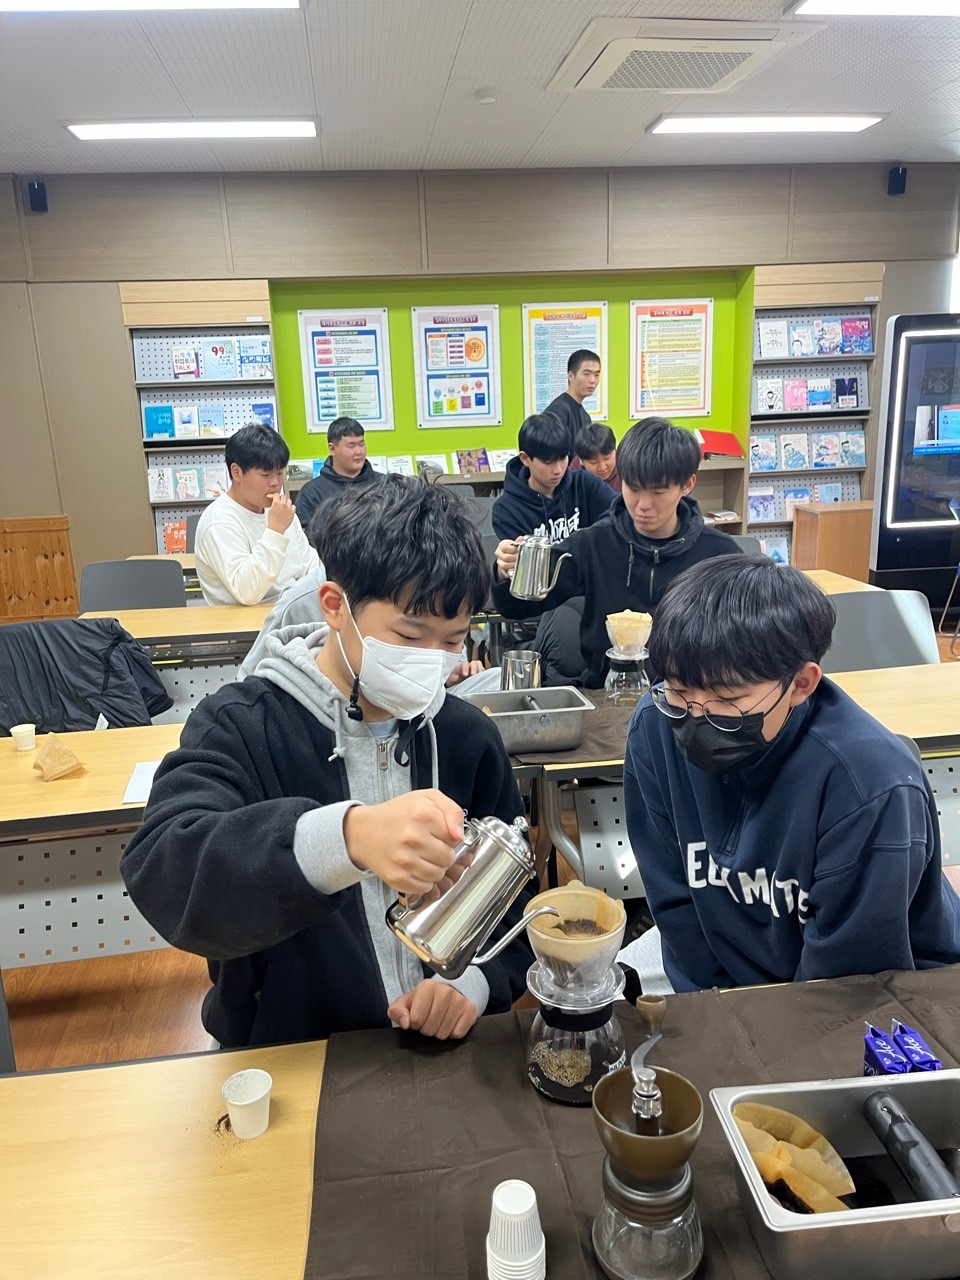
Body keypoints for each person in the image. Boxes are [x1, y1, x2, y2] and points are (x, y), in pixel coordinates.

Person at [120, 476, 532, 1049]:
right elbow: (166, 870)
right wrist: (346, 840)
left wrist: (474, 983)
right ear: (336, 606)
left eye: (451, 641)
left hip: (442, 1058)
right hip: (294, 1054)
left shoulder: (466, 737)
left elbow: (514, 908)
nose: (431, 661)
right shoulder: (244, 725)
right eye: (409, 635)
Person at [624, 556, 960, 994]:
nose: (697, 716)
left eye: (729, 700)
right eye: (680, 690)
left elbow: (842, 984)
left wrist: (750, 1020)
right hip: (730, 968)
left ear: (801, 684)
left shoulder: (869, 785)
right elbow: (673, 899)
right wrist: (714, 1006)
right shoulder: (656, 725)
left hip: (877, 989)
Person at [491, 418, 742, 687]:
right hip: (606, 690)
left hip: (692, 694)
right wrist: (506, 572)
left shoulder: (720, 555)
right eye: (633, 488)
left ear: (687, 484)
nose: (643, 505)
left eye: (658, 492)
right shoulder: (594, 543)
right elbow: (518, 607)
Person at [194, 423, 318, 606]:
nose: (275, 483)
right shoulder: (218, 521)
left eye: (279, 473)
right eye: (265, 475)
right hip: (246, 621)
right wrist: (275, 531)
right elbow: (247, 592)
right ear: (237, 472)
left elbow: (311, 567)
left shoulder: (280, 510)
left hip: (290, 610)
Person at [492, 412, 613, 544]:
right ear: (525, 459)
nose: (558, 470)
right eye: (548, 462)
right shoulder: (507, 510)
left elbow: (620, 513)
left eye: (563, 458)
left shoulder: (585, 484)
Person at [294, 417, 384, 533]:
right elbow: (308, 537)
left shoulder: (383, 484)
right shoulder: (312, 493)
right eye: (351, 446)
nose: (359, 452)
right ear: (332, 449)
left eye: (361, 444)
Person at [543, 349, 601, 438]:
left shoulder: (586, 417)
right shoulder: (558, 411)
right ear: (571, 376)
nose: (592, 380)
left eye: (596, 375)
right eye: (586, 374)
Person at [569, 422, 621, 493]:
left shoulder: (628, 470)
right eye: (594, 462)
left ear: (615, 450)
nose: (602, 468)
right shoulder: (574, 476)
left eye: (607, 458)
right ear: (581, 461)